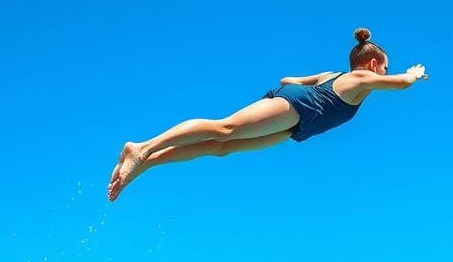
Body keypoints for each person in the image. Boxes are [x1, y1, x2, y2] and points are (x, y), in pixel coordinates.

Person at [107, 28, 427, 201]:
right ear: (373, 64)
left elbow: (289, 80)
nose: (386, 72)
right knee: (225, 129)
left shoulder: (332, 74)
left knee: (222, 148)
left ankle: (146, 164)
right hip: (298, 109)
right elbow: (400, 84)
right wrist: (412, 74)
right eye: (385, 66)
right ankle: (143, 147)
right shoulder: (361, 77)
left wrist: (301, 87)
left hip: (295, 122)